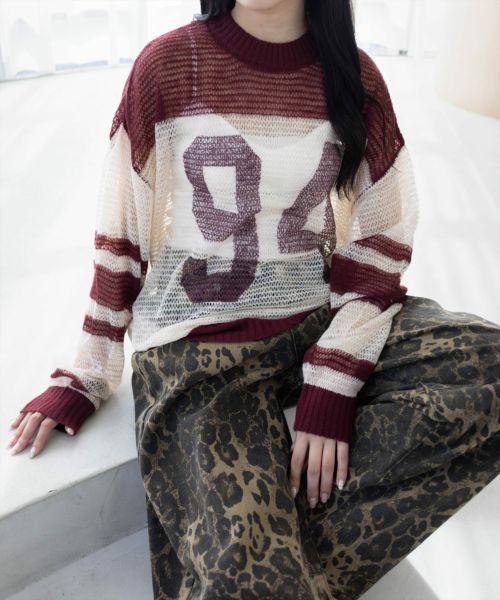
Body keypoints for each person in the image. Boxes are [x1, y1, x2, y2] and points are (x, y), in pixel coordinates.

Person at [9, 1, 500, 599]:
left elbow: (380, 238)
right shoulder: (167, 65)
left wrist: (334, 380)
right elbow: (121, 237)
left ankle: (278, 554)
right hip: (197, 354)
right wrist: (87, 372)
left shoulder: (355, 77)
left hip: (319, 320)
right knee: (253, 580)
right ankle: (270, 562)